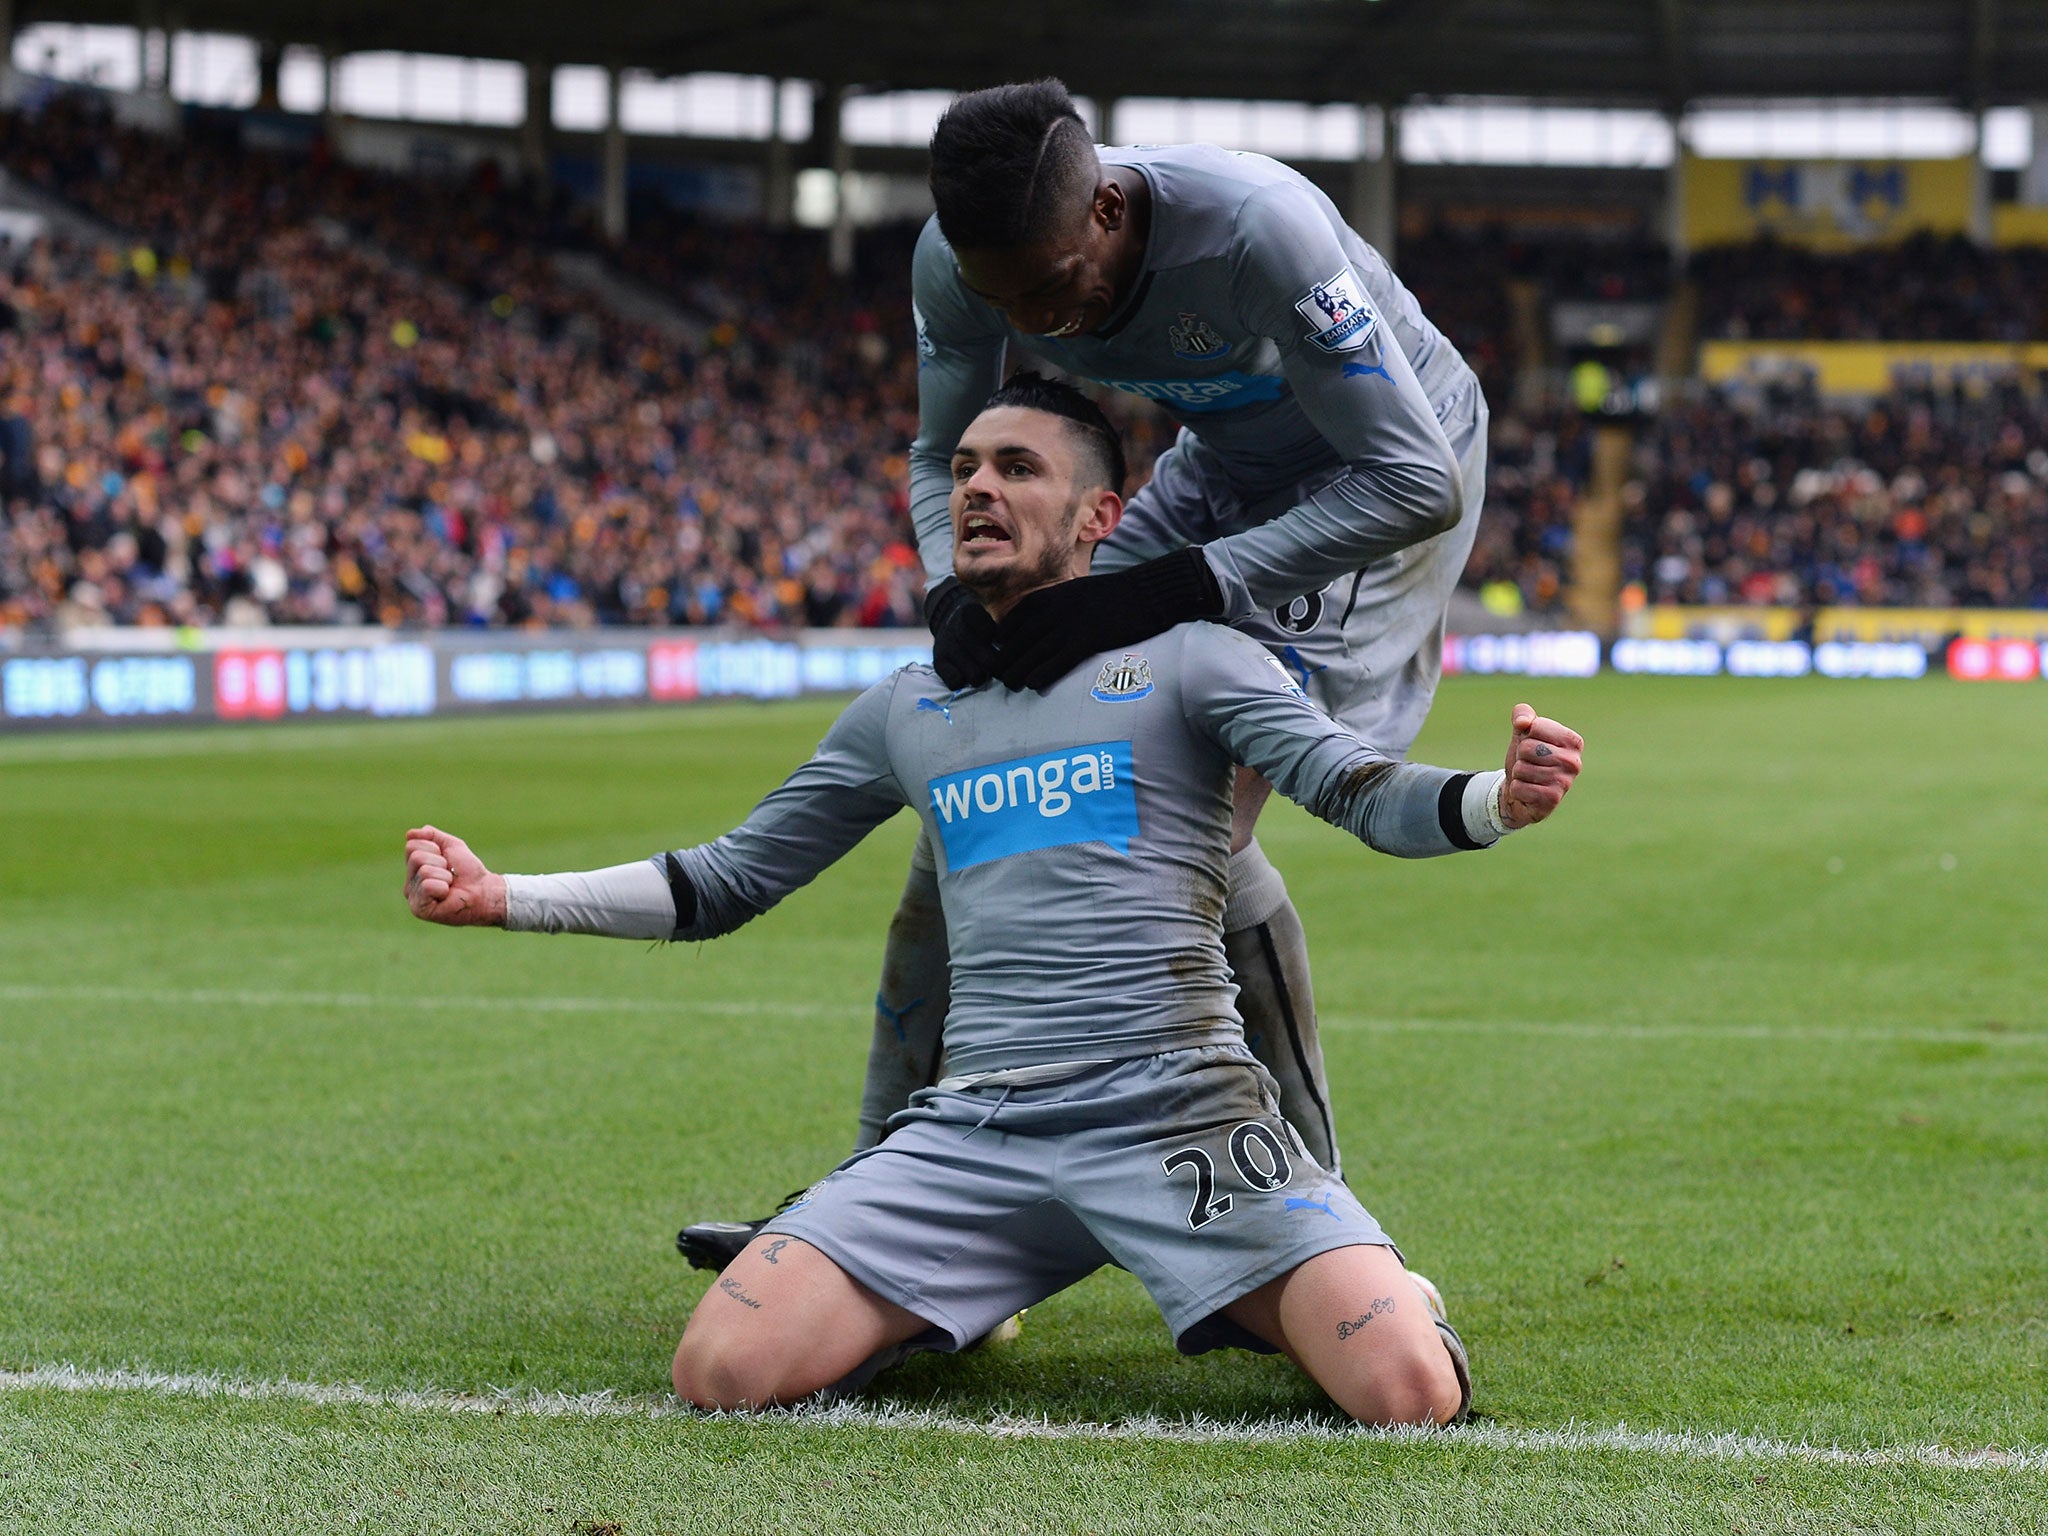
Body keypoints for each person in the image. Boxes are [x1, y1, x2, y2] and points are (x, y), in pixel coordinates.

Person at [404, 378, 1583, 1421]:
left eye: (1017, 468)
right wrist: (503, 894)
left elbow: (1357, 790)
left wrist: (1494, 798)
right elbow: (725, 880)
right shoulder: (908, 707)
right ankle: (956, 1301)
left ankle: (1299, 1283)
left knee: (1408, 1394)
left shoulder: (1192, 658)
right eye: (964, 466)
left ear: (1097, 519)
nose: (976, 486)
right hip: (974, 1134)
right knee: (721, 1370)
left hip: (1179, 1117)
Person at [682, 78, 1492, 1264]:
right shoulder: (958, 264)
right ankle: (868, 1201)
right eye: (1009, 303)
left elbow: (1418, 480)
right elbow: (929, 453)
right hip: (1219, 470)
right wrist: (948, 590)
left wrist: (1169, 588)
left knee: (1199, 835)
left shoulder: (1260, 228)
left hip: (1370, 486)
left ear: (1107, 209)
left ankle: (1319, 1215)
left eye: (1057, 289)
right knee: (970, 814)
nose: (1043, 326)